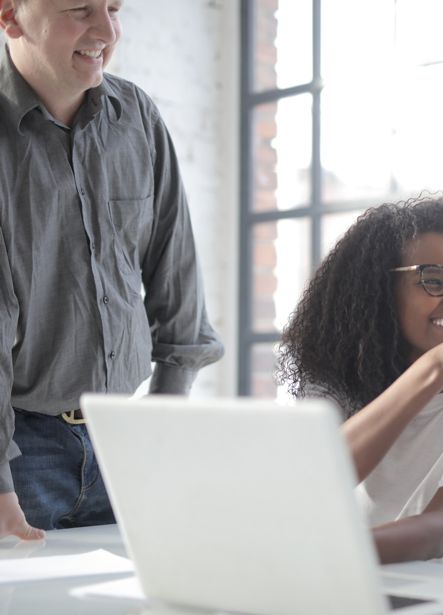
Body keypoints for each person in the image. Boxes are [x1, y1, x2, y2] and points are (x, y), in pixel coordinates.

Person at [0, 0, 223, 540]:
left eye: (114, 8)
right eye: (80, 9)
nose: (106, 30)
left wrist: (163, 425)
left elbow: (177, 271)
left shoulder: (138, 116)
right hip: (19, 456)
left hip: (128, 441)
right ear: (10, 15)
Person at [277, 194, 443, 570]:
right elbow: (316, 482)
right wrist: (437, 367)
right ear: (378, 289)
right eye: (434, 280)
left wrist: (325, 555)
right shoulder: (333, 377)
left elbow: (442, 531)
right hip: (354, 590)